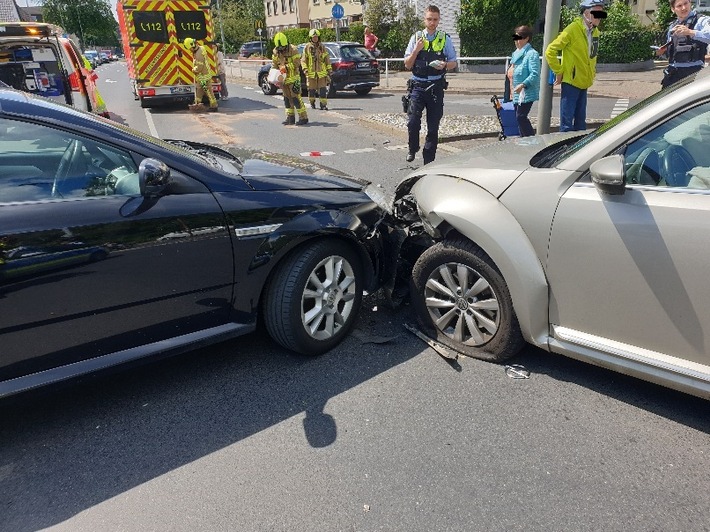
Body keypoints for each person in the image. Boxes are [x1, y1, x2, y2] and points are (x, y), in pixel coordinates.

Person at [403, 5, 458, 164]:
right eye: (429, 19)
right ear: (424, 19)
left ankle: (429, 162)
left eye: (435, 19)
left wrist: (445, 65)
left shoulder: (444, 38)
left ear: (439, 20)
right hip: (418, 86)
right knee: (413, 122)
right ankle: (412, 148)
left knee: (433, 127)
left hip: (435, 88)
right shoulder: (416, 37)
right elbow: (407, 64)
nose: (432, 22)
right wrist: (416, 50)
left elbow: (453, 62)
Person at [545, 0, 606, 132]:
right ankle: (565, 150)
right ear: (586, 13)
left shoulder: (595, 32)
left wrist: (592, 73)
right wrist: (559, 71)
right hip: (571, 82)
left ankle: (580, 150)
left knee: (580, 122)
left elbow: (592, 56)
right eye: (597, 13)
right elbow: (550, 50)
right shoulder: (572, 29)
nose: (600, 17)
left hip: (584, 81)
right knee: (567, 124)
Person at [658, 0, 710, 89]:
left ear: (690, 3)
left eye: (686, 3)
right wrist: (662, 52)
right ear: (673, 9)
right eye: (679, 5)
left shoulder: (702, 20)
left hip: (693, 74)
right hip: (672, 74)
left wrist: (690, 32)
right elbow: (672, 50)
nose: (684, 8)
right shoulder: (672, 26)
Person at [508, 25, 540, 137]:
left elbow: (535, 73)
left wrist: (523, 84)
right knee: (518, 117)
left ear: (526, 38)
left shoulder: (532, 54)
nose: (516, 41)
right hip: (516, 92)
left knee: (521, 116)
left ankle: (531, 141)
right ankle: (524, 140)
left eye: (519, 38)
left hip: (526, 92)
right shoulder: (516, 53)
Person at [272, 32, 308, 126]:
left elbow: (297, 63)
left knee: (296, 98)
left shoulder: (293, 49)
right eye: (280, 48)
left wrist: (286, 67)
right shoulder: (276, 52)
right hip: (283, 81)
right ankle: (290, 118)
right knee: (287, 100)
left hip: (294, 79)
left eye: (283, 47)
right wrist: (273, 76)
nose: (282, 50)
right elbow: (274, 65)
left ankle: (303, 117)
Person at [184, 37, 218, 111]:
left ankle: (214, 106)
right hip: (202, 76)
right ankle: (197, 103)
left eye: (190, 48)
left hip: (204, 76)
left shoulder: (198, 54)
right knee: (199, 89)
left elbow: (199, 67)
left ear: (192, 46)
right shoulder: (200, 48)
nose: (189, 50)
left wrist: (194, 70)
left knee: (208, 91)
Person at [303, 29, 332, 110]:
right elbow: (303, 60)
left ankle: (323, 105)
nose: (315, 38)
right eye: (313, 37)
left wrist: (329, 70)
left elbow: (327, 59)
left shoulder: (322, 47)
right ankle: (312, 103)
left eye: (316, 37)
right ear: (310, 38)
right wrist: (305, 69)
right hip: (311, 74)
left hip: (322, 73)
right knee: (311, 91)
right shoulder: (307, 47)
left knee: (323, 91)